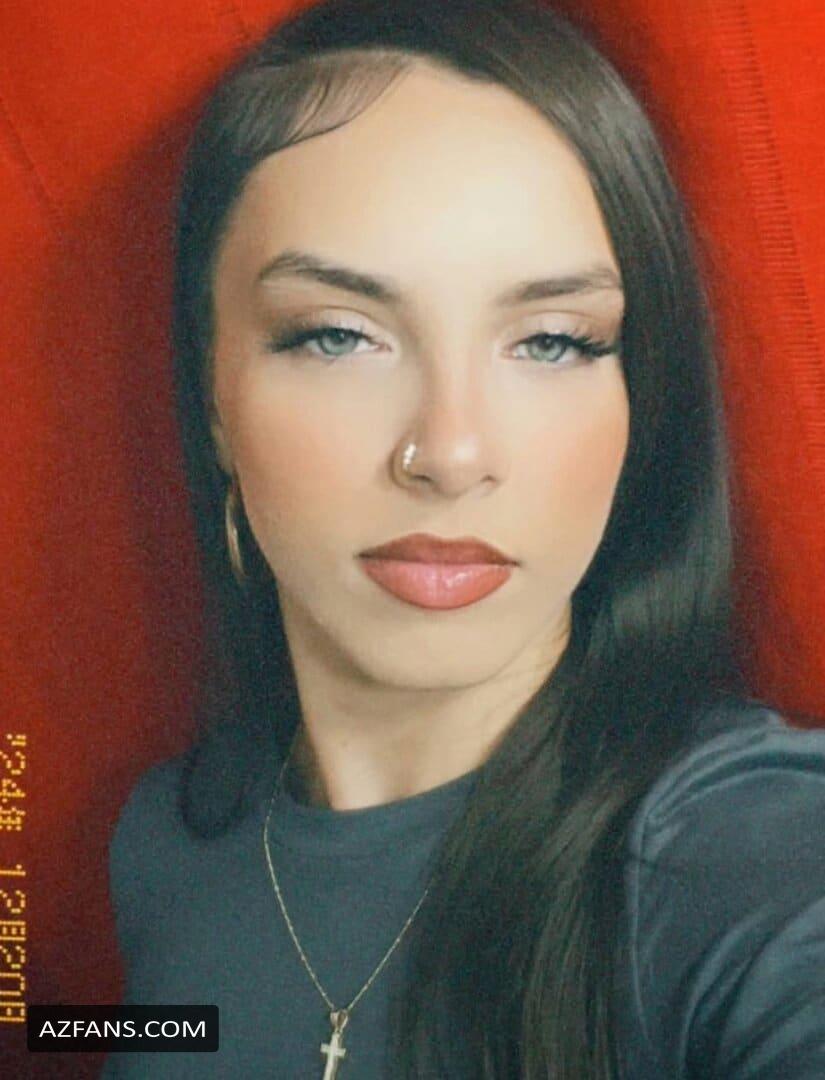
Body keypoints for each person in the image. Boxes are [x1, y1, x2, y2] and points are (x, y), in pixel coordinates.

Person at [102, 0, 825, 1076]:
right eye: (338, 335)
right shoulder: (161, 847)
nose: (448, 452)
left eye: (552, 341)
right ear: (213, 399)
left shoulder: (743, 858)